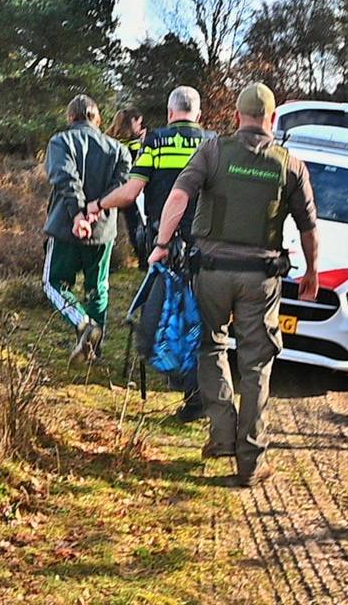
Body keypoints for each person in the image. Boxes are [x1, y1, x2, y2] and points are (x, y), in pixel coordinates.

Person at [149, 83, 319, 487]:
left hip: (211, 271)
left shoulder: (212, 151)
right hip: (260, 279)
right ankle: (251, 461)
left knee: (211, 346)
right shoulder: (290, 165)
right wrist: (313, 271)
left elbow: (178, 198)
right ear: (272, 119)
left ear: (237, 116)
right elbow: (309, 226)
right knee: (257, 361)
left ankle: (222, 436)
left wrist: (160, 245)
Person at [85, 86, 210, 421]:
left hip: (164, 246)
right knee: (197, 317)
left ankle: (176, 375)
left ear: (171, 113)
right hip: (205, 247)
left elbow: (130, 192)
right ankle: (194, 393)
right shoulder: (213, 142)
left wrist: (98, 204)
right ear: (197, 114)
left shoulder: (155, 140)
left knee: (159, 314)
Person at [43, 94, 132, 366]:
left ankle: (82, 324)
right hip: (103, 230)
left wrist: (78, 214)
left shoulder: (60, 141)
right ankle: (93, 350)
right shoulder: (120, 150)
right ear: (98, 118)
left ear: (71, 117)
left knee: (54, 283)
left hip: (66, 227)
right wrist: (95, 211)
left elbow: (64, 178)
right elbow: (121, 186)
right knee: (97, 289)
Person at [105, 107, 149, 268]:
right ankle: (143, 260)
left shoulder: (108, 140)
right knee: (136, 226)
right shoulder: (135, 144)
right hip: (130, 191)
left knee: (107, 228)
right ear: (132, 122)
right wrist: (144, 143)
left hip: (109, 190)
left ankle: (109, 262)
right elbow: (140, 163)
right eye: (139, 122)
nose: (141, 126)